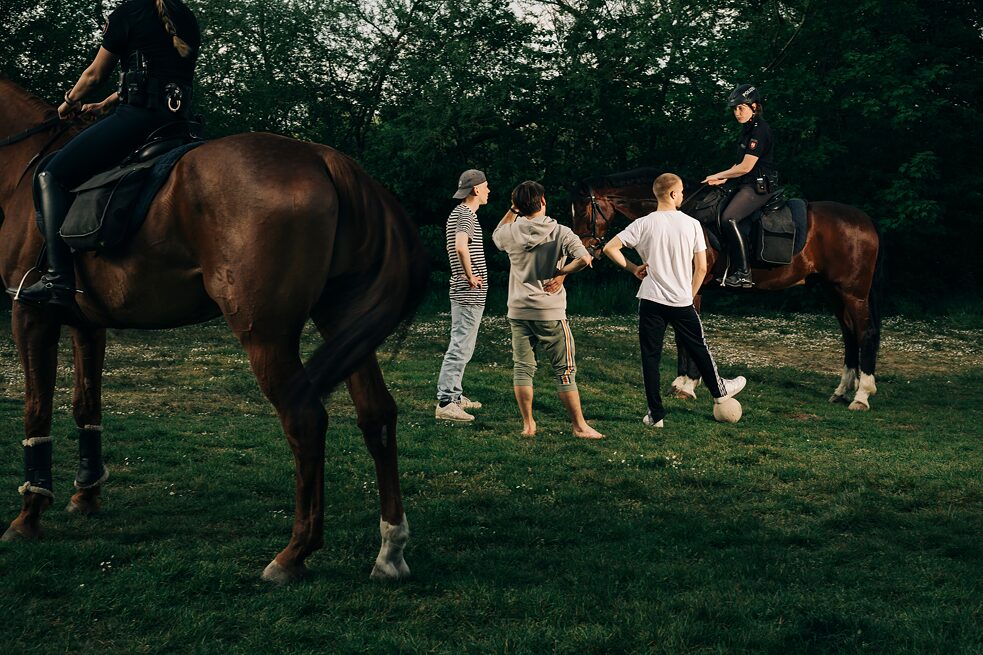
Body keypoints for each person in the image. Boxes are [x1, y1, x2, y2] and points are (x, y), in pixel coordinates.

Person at [17, 0, 201, 312]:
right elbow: (165, 73)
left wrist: (68, 104)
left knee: (51, 174)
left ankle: (58, 279)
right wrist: (107, 104)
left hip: (138, 120)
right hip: (177, 122)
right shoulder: (185, 17)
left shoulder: (129, 13)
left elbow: (94, 74)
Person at [603, 173, 746, 427]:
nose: (682, 196)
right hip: (681, 302)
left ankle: (655, 415)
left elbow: (609, 248)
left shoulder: (643, 224)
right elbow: (701, 268)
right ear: (671, 194)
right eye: (680, 192)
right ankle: (720, 391)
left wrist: (633, 268)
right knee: (699, 348)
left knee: (651, 357)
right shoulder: (692, 225)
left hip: (650, 300)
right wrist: (689, 296)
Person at [492, 181, 603, 439]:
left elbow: (497, 233)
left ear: (518, 207)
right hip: (550, 312)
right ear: (543, 202)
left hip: (518, 311)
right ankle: (579, 426)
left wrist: (513, 209)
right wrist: (562, 271)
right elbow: (585, 259)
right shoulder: (561, 232)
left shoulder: (509, 232)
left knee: (522, 368)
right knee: (564, 371)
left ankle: (528, 425)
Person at [701, 83, 777, 288]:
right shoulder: (747, 130)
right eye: (734, 108)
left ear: (754, 106)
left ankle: (743, 273)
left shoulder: (760, 129)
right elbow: (739, 164)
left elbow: (746, 167)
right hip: (746, 183)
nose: (737, 112)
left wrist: (719, 173)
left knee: (729, 218)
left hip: (759, 187)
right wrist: (723, 178)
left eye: (741, 107)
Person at [435, 169, 490, 422]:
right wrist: (469, 276)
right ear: (476, 189)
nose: (489, 191)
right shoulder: (465, 215)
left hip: (469, 293)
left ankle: (455, 395)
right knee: (460, 346)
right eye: (486, 186)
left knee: (464, 346)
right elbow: (459, 246)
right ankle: (446, 402)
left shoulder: (460, 214)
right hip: (468, 292)